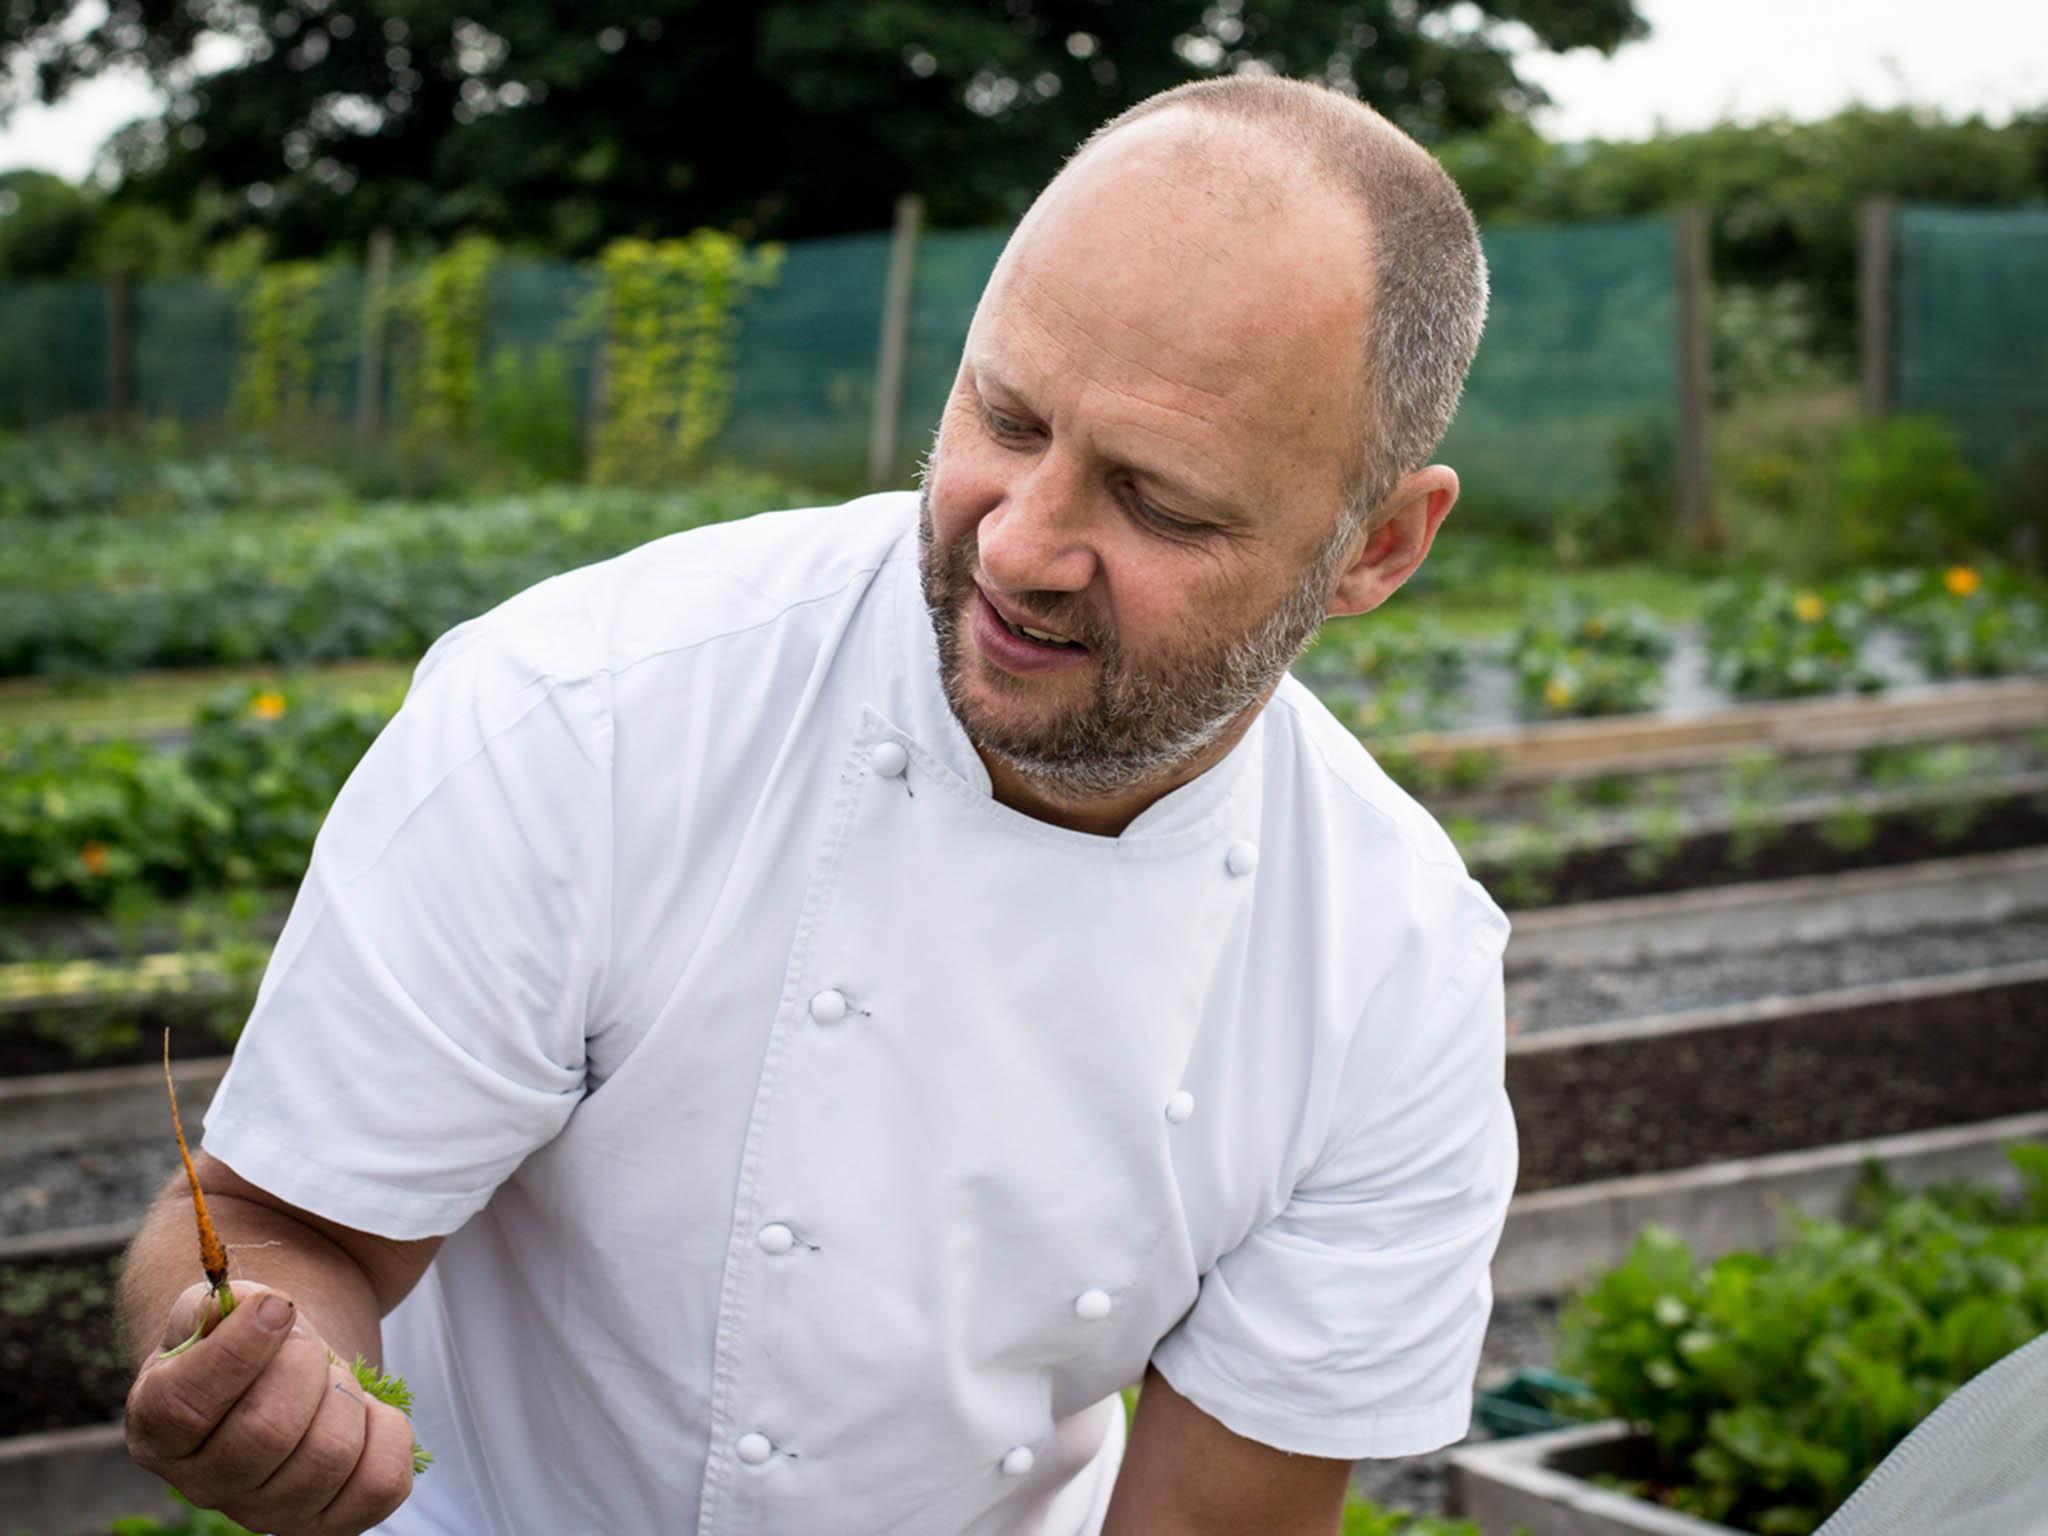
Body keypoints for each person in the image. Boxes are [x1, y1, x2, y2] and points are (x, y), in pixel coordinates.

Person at [119, 72, 1510, 1536]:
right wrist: (261, 1385)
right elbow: (282, 1224)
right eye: (1007, 416)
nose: (1024, 547)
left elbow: (1214, 1524)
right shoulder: (590, 715)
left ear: (1381, 548)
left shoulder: (1393, 967)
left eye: (1158, 502)